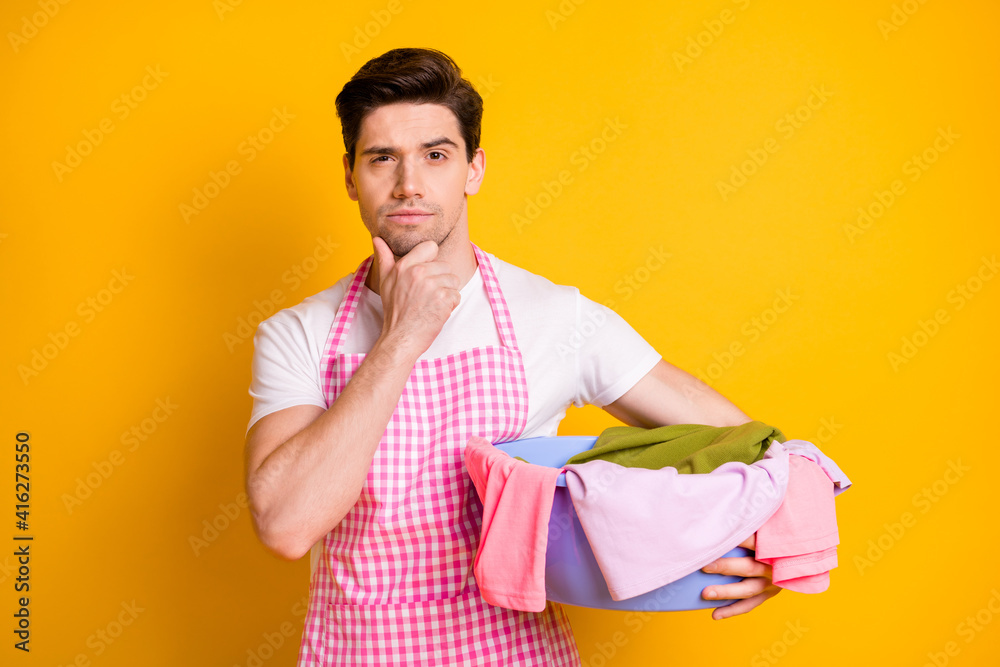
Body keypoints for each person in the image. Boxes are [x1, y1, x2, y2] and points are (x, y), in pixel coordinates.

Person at [244, 47, 780, 666]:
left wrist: (767, 544)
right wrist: (400, 340)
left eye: (436, 155)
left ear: (473, 169)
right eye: (382, 157)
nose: (408, 182)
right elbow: (285, 526)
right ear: (349, 175)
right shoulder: (297, 334)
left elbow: (747, 444)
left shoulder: (556, 316)